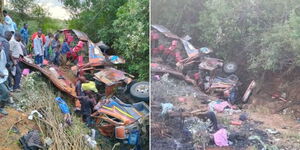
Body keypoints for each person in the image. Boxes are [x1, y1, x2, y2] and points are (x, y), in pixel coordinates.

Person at [0, 42, 10, 115]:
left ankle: (5, 102)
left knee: (7, 91)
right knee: (5, 92)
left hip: (4, 74)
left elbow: (4, 62)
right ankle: (1, 107)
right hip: (1, 76)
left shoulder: (2, 51)